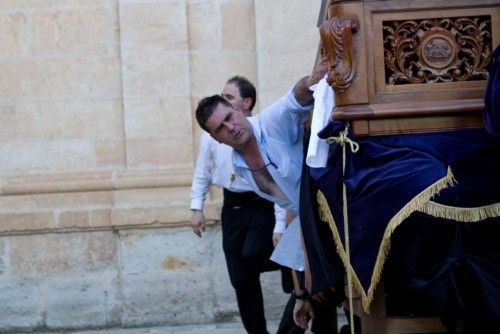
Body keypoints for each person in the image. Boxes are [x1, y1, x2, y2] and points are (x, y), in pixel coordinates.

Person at [194, 60, 335, 331]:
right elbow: (292, 208)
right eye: (220, 129)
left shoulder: (270, 124)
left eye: (229, 117)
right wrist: (300, 293)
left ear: (239, 110)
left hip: (334, 214)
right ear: (217, 139)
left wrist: (310, 81)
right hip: (310, 227)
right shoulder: (238, 166)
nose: (231, 127)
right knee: (313, 300)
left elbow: (293, 99)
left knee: (321, 298)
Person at [189, 76, 288, 334]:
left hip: (261, 203)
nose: (222, 100)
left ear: (245, 104)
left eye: (229, 97)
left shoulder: (260, 131)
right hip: (232, 206)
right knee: (240, 278)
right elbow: (203, 171)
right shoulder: (212, 136)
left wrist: (280, 226)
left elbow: (276, 183)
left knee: (254, 253)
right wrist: (196, 207)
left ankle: (295, 263)